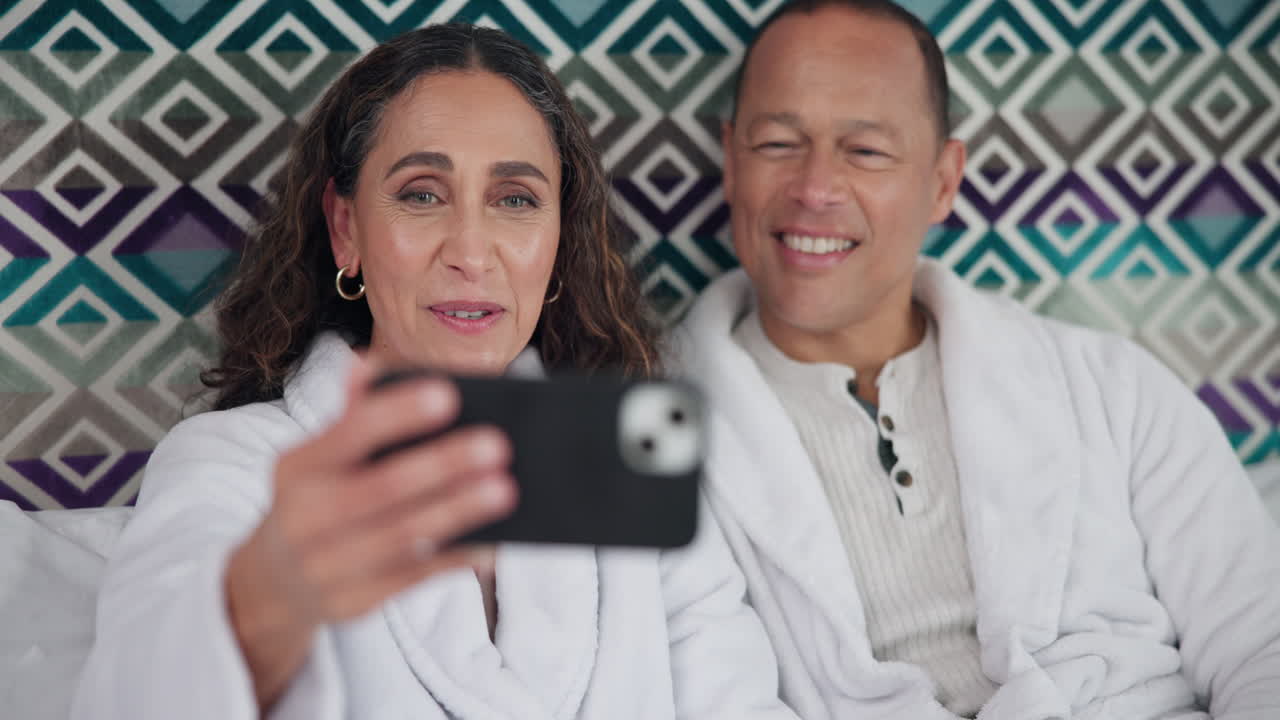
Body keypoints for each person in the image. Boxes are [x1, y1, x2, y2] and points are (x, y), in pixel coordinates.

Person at [72, 24, 796, 720]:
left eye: (515, 200)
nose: (472, 253)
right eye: (422, 194)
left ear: (557, 242)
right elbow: (138, 694)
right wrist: (269, 593)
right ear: (346, 227)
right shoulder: (232, 466)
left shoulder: (628, 465)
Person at [671, 1, 1280, 718]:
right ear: (730, 161)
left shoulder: (1111, 387)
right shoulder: (652, 438)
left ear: (942, 181)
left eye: (865, 151)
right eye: (777, 143)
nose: (815, 188)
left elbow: (1261, 642)